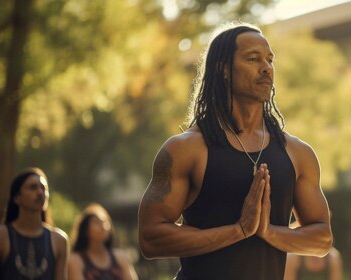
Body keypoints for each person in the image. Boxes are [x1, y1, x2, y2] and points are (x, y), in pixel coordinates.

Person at [137, 22, 333, 279]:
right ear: (224, 69)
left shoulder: (298, 153)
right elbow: (151, 239)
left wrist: (268, 231)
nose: (266, 68)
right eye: (253, 59)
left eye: (270, 60)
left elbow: (322, 239)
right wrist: (238, 230)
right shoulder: (186, 149)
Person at [0, 167, 69, 280]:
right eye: (33, 187)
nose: (40, 193)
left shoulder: (59, 240)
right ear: (17, 198)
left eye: (44, 188)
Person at [68, 203, 138, 280]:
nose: (103, 226)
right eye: (97, 222)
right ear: (85, 230)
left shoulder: (120, 257)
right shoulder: (75, 261)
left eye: (105, 222)